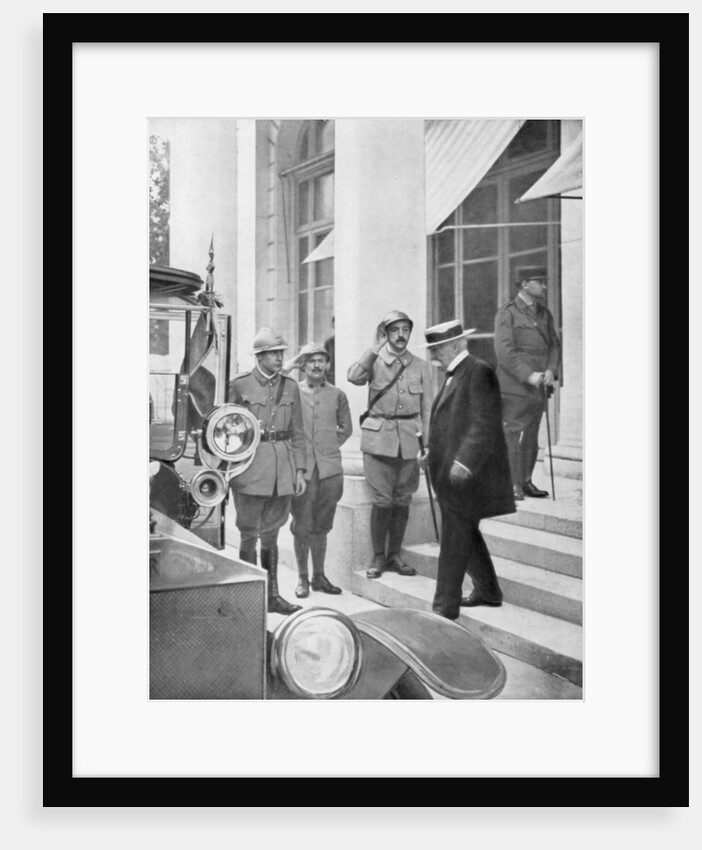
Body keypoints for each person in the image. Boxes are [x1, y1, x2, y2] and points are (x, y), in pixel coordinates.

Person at [418, 319, 515, 619]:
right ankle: (489, 591)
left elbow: (485, 423)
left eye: (438, 348)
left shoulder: (479, 371)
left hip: (468, 474)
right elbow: (450, 424)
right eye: (432, 348)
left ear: (458, 345)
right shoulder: (455, 374)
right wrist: (431, 452)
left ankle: (444, 609)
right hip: (448, 472)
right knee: (465, 533)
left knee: (453, 539)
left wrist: (463, 462)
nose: (433, 354)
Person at [227, 328, 307, 616]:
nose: (279, 358)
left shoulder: (291, 387)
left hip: (282, 470)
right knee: (249, 532)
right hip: (250, 468)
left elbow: (298, 431)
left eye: (281, 353)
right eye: (273, 353)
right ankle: (249, 599)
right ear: (259, 356)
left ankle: (272, 596)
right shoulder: (240, 385)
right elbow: (225, 427)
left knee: (272, 533)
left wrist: (300, 470)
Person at [347, 310, 433, 579]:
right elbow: (353, 376)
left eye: (405, 330)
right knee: (383, 499)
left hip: (409, 439)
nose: (400, 335)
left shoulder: (420, 366)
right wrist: (374, 349)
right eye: (394, 330)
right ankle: (378, 556)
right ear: (385, 334)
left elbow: (427, 409)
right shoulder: (374, 361)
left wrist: (427, 444)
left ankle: (395, 555)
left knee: (403, 499)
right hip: (378, 440)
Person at [286, 341, 353, 598]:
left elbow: (346, 428)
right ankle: (302, 578)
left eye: (321, 360)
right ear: (303, 365)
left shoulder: (338, 395)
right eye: (311, 360)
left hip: (330, 470)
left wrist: (327, 447)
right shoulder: (292, 391)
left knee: (322, 525)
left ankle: (319, 577)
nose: (316, 365)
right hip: (302, 470)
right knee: (302, 524)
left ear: (328, 364)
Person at [494, 266, 562, 500]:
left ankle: (525, 481)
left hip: (539, 386)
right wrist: (527, 375)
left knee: (532, 433)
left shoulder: (544, 313)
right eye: (539, 281)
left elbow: (554, 345)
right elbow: (504, 352)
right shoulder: (507, 313)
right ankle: (512, 483)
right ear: (524, 284)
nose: (544, 286)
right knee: (512, 433)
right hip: (514, 386)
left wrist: (551, 370)